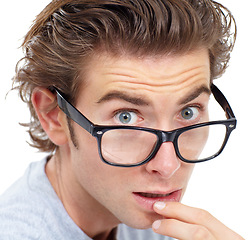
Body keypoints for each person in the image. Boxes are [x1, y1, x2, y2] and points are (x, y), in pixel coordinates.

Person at [0, 0, 244, 239]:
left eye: (188, 111)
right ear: (54, 115)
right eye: (125, 117)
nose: (168, 166)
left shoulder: (162, 224)